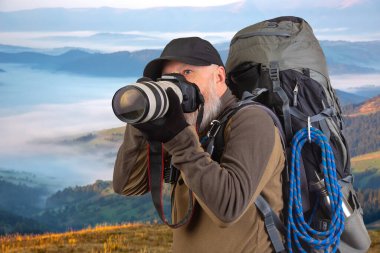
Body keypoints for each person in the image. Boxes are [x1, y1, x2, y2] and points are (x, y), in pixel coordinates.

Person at [113, 37, 285, 253]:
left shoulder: (252, 121)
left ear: (219, 76)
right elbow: (126, 185)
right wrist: (142, 118)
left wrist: (179, 138)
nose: (177, 84)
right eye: (168, 78)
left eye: (187, 73)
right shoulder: (193, 127)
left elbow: (228, 208)